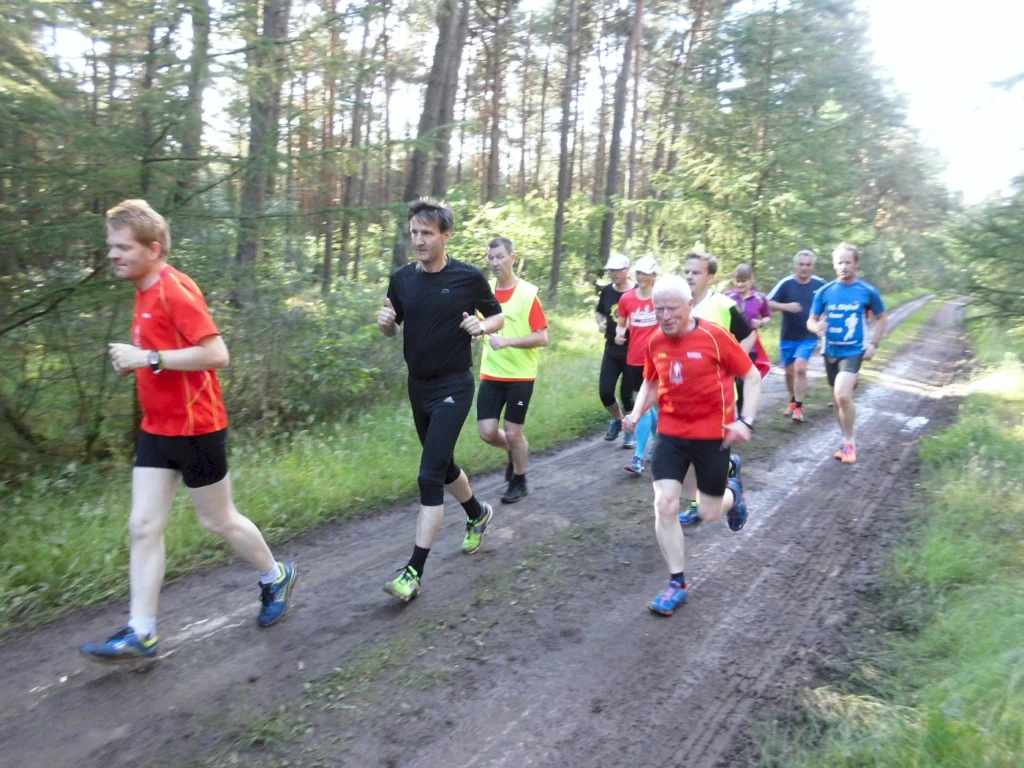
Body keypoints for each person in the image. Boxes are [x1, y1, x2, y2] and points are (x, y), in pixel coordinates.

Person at [80, 200, 297, 665]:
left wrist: (148, 359)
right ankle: (142, 631)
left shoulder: (174, 290)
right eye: (110, 247)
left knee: (218, 521)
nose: (112, 255)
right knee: (143, 526)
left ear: (153, 249)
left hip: (198, 429)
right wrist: (141, 362)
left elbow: (217, 354)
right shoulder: (141, 287)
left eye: (122, 247)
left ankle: (275, 575)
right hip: (157, 427)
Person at [377, 199, 504, 602]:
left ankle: (412, 572)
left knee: (429, 475)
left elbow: (497, 315)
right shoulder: (401, 279)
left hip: (454, 386)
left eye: (427, 233)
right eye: (414, 232)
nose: (418, 240)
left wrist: (481, 326)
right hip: (418, 387)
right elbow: (390, 323)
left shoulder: (468, 277)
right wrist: (385, 326)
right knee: (444, 464)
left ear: (445, 236)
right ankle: (478, 514)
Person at [622, 275, 760, 616]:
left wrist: (746, 421)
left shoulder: (715, 336)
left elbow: (752, 376)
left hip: (713, 435)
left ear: (689, 306)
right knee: (665, 504)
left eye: (671, 309)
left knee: (708, 513)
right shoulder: (655, 341)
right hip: (670, 435)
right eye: (658, 309)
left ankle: (733, 492)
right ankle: (677, 582)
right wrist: (637, 413)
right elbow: (651, 382)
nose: (665, 316)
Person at [676, 251, 756, 525]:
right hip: (681, 398)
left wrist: (732, 366)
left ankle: (732, 491)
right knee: (684, 455)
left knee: (706, 462)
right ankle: (692, 502)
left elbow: (749, 335)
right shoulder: (676, 304)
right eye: (686, 271)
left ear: (710, 277)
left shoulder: (722, 305)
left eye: (696, 272)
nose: (689, 276)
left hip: (717, 401)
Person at [476, 237, 549, 504]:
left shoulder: (528, 293)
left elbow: (542, 337)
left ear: (512, 258)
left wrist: (508, 341)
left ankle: (519, 479)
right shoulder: (485, 292)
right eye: (491, 257)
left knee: (514, 432)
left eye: (500, 257)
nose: (495, 262)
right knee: (487, 432)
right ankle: (517, 450)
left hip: (520, 376)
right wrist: (474, 331)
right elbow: (482, 324)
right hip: (491, 373)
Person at [808, 243, 886, 465]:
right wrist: (815, 328)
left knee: (842, 395)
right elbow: (811, 320)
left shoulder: (867, 291)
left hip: (853, 350)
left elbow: (882, 317)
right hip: (830, 350)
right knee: (837, 397)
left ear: (856, 264)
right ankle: (845, 439)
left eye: (848, 262)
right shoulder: (824, 292)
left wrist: (874, 344)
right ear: (834, 265)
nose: (843, 267)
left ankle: (850, 444)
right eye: (839, 262)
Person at [767, 250, 827, 422]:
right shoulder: (786, 283)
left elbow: (830, 304)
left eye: (808, 265)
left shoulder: (820, 284)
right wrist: (787, 307)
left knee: (800, 368)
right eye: (801, 264)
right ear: (795, 265)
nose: (804, 268)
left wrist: (823, 320)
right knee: (789, 372)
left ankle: (799, 408)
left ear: (812, 266)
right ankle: (793, 401)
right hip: (788, 335)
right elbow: (768, 303)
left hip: (809, 335)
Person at [615, 255, 661, 475]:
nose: (642, 277)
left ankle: (638, 458)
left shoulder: (661, 298)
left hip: (657, 359)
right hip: (634, 358)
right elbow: (621, 324)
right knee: (647, 406)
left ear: (654, 276)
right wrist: (619, 334)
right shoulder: (626, 299)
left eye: (646, 273)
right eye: (639, 273)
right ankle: (659, 443)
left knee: (641, 407)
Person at [595, 253, 637, 450]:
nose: (613, 274)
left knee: (627, 394)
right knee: (605, 393)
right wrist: (601, 322)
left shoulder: (638, 292)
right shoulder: (607, 292)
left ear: (627, 270)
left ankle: (629, 433)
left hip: (633, 350)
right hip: (611, 349)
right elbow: (599, 311)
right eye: (611, 270)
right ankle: (618, 420)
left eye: (617, 270)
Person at [723, 263, 773, 415]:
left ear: (751, 280)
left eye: (743, 281)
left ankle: (743, 414)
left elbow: (767, 316)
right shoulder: (727, 297)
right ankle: (730, 414)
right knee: (730, 380)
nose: (740, 284)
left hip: (751, 346)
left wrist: (761, 323)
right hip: (729, 344)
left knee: (743, 380)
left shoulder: (760, 298)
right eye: (737, 281)